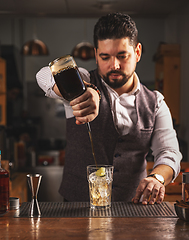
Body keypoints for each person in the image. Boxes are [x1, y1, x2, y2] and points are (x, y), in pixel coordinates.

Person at [36, 12, 182, 205]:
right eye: (105, 57)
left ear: (137, 52)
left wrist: (157, 178)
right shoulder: (84, 80)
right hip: (76, 209)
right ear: (96, 55)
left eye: (122, 56)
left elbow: (169, 152)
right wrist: (81, 91)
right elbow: (44, 74)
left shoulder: (156, 102)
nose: (114, 65)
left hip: (134, 209)